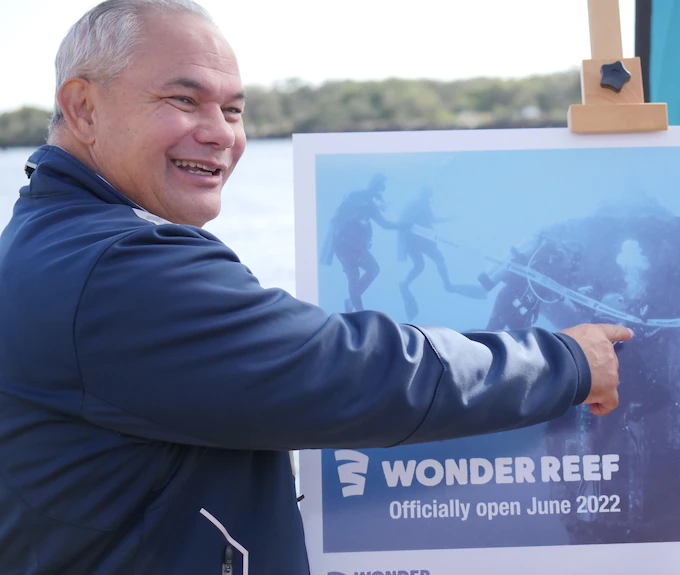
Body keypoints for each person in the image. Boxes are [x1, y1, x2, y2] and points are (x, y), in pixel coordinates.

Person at [0, 1, 631, 574]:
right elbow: (357, 373)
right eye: (184, 100)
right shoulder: (115, 267)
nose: (221, 131)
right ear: (83, 107)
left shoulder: (53, 243)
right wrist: (568, 363)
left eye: (234, 109)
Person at [395, 186, 485, 320]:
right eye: (427, 194)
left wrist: (448, 219)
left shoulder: (423, 204)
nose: (428, 197)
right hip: (415, 239)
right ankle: (444, 284)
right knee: (431, 262)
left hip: (421, 239)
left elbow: (431, 220)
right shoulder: (414, 205)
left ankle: (410, 283)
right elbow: (406, 221)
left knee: (424, 264)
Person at [320, 173, 400, 312]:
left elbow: (385, 224)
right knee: (353, 276)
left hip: (359, 247)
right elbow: (344, 214)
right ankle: (359, 311)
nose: (380, 193)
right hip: (344, 244)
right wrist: (365, 208)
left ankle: (352, 302)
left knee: (373, 269)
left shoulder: (371, 205)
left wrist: (404, 225)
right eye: (379, 188)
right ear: (374, 186)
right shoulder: (357, 197)